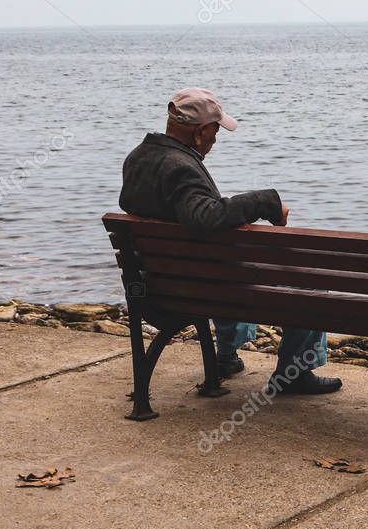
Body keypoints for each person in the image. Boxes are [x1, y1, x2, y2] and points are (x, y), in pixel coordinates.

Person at [118, 87, 342, 394]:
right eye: (215, 132)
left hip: (160, 287)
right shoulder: (182, 168)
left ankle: (225, 356)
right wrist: (266, 202)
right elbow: (204, 218)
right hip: (204, 290)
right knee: (311, 280)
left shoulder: (138, 159)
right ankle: (294, 373)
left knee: (219, 260)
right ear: (200, 133)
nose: (216, 139)